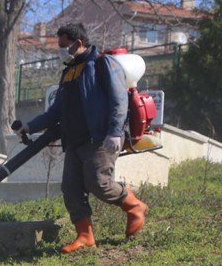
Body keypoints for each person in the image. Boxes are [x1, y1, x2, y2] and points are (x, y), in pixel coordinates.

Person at [20, 23, 148, 253]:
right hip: (75, 141)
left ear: (78, 43)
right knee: (71, 189)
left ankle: (135, 206)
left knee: (99, 183)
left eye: (63, 45)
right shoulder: (68, 72)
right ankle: (85, 236)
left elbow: (119, 101)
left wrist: (114, 132)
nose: (60, 50)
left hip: (99, 138)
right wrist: (30, 127)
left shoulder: (103, 64)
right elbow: (55, 112)